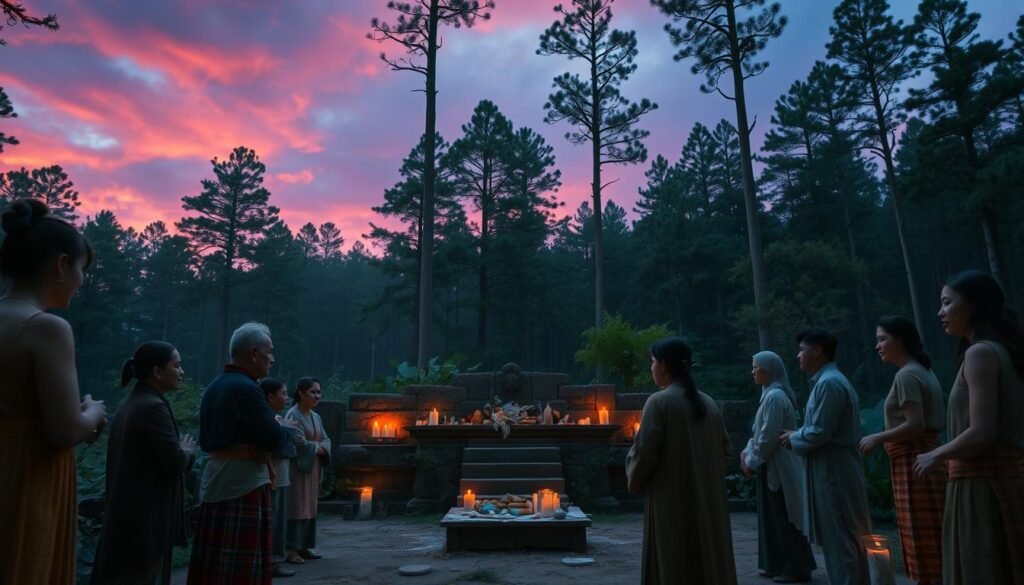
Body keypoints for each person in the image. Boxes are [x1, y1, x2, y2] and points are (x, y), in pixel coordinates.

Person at [0, 199, 107, 585]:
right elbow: (64, 430)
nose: (81, 281)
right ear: (61, 265)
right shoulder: (46, 328)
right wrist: (93, 412)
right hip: (28, 478)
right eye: (81, 269)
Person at [914, 271, 1024, 585]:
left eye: (948, 303)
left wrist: (935, 454)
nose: (940, 313)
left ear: (974, 306)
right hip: (1002, 482)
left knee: (982, 567)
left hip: (981, 487)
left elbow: (982, 431)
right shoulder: (1003, 351)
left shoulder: (981, 353)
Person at [187, 322, 295, 585]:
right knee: (238, 565)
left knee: (216, 559)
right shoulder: (247, 389)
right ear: (254, 353)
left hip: (218, 478)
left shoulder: (217, 385)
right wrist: (283, 429)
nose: (272, 359)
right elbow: (273, 436)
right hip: (241, 482)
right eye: (269, 352)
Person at [625, 337, 737, 585]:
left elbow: (644, 451)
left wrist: (636, 478)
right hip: (709, 502)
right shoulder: (709, 403)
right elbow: (726, 453)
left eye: (653, 362)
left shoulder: (659, 402)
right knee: (707, 558)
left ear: (664, 365)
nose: (651, 367)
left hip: (671, 500)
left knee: (673, 559)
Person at [91, 342, 197, 585]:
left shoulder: (132, 404)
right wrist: (187, 450)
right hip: (144, 522)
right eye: (177, 366)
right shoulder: (153, 408)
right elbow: (175, 461)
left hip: (129, 516)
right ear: (158, 372)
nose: (182, 372)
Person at [781, 328, 871, 585]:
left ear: (817, 350)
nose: (798, 356)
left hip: (833, 467)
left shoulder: (830, 383)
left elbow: (820, 432)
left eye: (802, 350)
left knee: (839, 533)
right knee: (841, 533)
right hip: (831, 463)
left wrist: (792, 438)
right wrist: (799, 433)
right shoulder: (827, 381)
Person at [860, 316, 945, 585]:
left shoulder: (907, 374)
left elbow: (915, 424)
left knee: (921, 535)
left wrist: (877, 437)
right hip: (921, 460)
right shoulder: (921, 370)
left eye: (882, 339)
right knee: (933, 532)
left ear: (901, 340)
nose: (878, 346)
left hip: (914, 461)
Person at [742, 351, 816, 583]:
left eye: (757, 367)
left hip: (779, 466)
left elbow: (768, 437)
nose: (753, 371)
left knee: (784, 516)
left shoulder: (775, 397)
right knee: (773, 515)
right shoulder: (769, 395)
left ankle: (795, 566)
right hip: (770, 465)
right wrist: (748, 452)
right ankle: (774, 563)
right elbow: (759, 432)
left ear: (769, 370)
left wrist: (751, 460)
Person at [284, 377, 332, 564]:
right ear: (301, 393)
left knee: (309, 506)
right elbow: (298, 442)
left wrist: (321, 448)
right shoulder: (293, 415)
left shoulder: (316, 416)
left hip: (313, 468)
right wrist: (317, 448)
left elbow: (326, 439)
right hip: (298, 468)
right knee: (296, 506)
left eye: (318, 392)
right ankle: (290, 549)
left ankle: (304, 545)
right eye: (312, 392)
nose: (317, 395)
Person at [260, 377, 298, 578]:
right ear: (270, 397)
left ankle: (276, 558)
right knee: (273, 521)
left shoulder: (277, 420)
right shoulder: (272, 421)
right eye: (283, 394)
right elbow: (285, 449)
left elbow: (291, 450)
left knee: (278, 520)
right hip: (271, 477)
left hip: (280, 476)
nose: (287, 397)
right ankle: (273, 561)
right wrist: (287, 432)